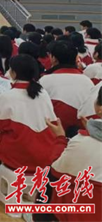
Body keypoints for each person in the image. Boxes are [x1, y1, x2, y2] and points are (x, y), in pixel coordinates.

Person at [0, 55, 67, 192]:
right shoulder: (43, 93)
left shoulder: (8, 96)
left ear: (13, 73)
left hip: (20, 156)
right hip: (45, 155)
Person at [45, 86, 102, 221]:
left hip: (81, 213)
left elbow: (56, 169)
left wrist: (60, 138)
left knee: (50, 177)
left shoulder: (82, 142)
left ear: (99, 109)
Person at [40, 41, 94, 133]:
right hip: (82, 133)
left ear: (54, 58)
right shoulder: (87, 81)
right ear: (76, 58)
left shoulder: (44, 81)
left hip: (54, 133)